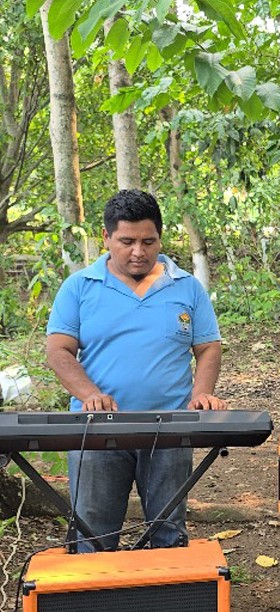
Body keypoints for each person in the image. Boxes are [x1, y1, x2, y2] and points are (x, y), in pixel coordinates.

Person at [45, 189, 226, 552]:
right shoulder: (80, 287)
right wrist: (90, 395)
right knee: (93, 533)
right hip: (95, 431)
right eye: (127, 242)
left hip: (170, 429)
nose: (138, 252)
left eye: (148, 241)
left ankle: (166, 590)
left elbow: (208, 347)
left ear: (160, 237)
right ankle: (95, 589)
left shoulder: (187, 287)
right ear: (106, 237)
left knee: (168, 532)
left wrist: (201, 394)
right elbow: (58, 350)